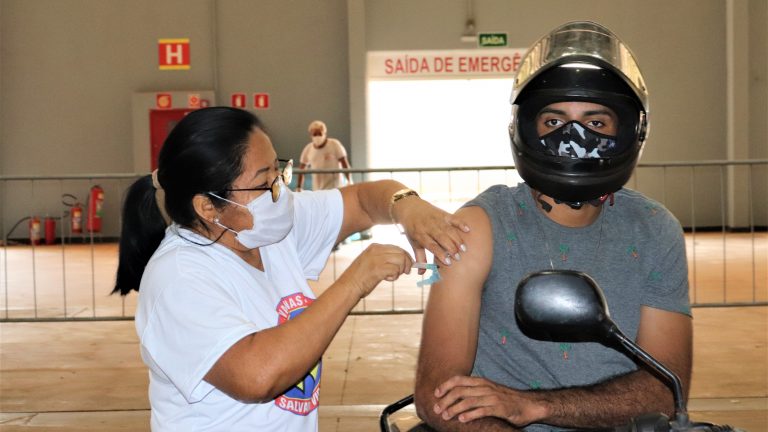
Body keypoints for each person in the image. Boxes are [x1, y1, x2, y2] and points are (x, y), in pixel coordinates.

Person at [112, 107, 469, 431]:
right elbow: (256, 376)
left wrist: (406, 207)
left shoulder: (268, 230)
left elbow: (362, 200)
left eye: (278, 172)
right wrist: (354, 281)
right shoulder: (180, 277)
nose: (278, 191)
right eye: (263, 182)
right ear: (208, 206)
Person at [414, 21, 692, 432]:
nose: (573, 136)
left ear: (630, 130)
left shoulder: (653, 229)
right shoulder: (479, 227)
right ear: (525, 128)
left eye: (595, 123)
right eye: (553, 121)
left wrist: (536, 406)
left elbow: (666, 389)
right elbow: (437, 396)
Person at [296, 120, 352, 192]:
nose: (317, 136)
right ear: (311, 135)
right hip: (317, 189)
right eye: (315, 134)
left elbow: (344, 163)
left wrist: (349, 180)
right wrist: (299, 187)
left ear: (324, 133)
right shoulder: (308, 149)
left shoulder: (334, 145)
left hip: (335, 188)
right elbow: (301, 169)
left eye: (320, 133)